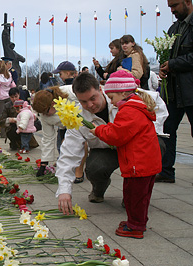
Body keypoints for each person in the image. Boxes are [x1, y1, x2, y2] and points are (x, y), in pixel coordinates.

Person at [56, 72, 168, 216]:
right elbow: (69, 154)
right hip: (106, 151)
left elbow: (156, 101)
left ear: (100, 90)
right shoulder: (77, 116)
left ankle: (135, 195)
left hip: (134, 147)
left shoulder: (121, 94)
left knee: (157, 145)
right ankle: (99, 189)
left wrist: (151, 131)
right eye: (83, 102)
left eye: (93, 98)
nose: (89, 105)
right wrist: (64, 191)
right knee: (96, 168)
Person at [90, 70, 161, 239]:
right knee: (141, 196)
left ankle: (136, 226)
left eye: (112, 97)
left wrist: (98, 130)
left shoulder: (129, 110)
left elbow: (116, 135)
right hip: (145, 163)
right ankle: (137, 220)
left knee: (134, 196)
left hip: (138, 164)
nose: (112, 103)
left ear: (123, 92)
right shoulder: (137, 106)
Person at [157, 0, 193, 183]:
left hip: (190, 89)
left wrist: (173, 64)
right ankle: (166, 171)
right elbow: (168, 55)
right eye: (170, 6)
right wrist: (164, 67)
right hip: (173, 90)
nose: (172, 10)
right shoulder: (173, 29)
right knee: (167, 130)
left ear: (188, 2)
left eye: (175, 5)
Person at [33, 61, 85, 183]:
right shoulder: (44, 115)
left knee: (79, 145)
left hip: (83, 124)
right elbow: (47, 138)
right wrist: (43, 164)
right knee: (64, 146)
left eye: (46, 111)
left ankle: (79, 171)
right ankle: (69, 169)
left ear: (52, 103)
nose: (44, 115)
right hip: (66, 127)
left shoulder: (69, 91)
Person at [0, 60, 16, 138]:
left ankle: (3, 133)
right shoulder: (9, 74)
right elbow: (13, 85)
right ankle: (10, 132)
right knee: (9, 114)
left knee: (2, 116)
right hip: (8, 96)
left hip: (0, 98)